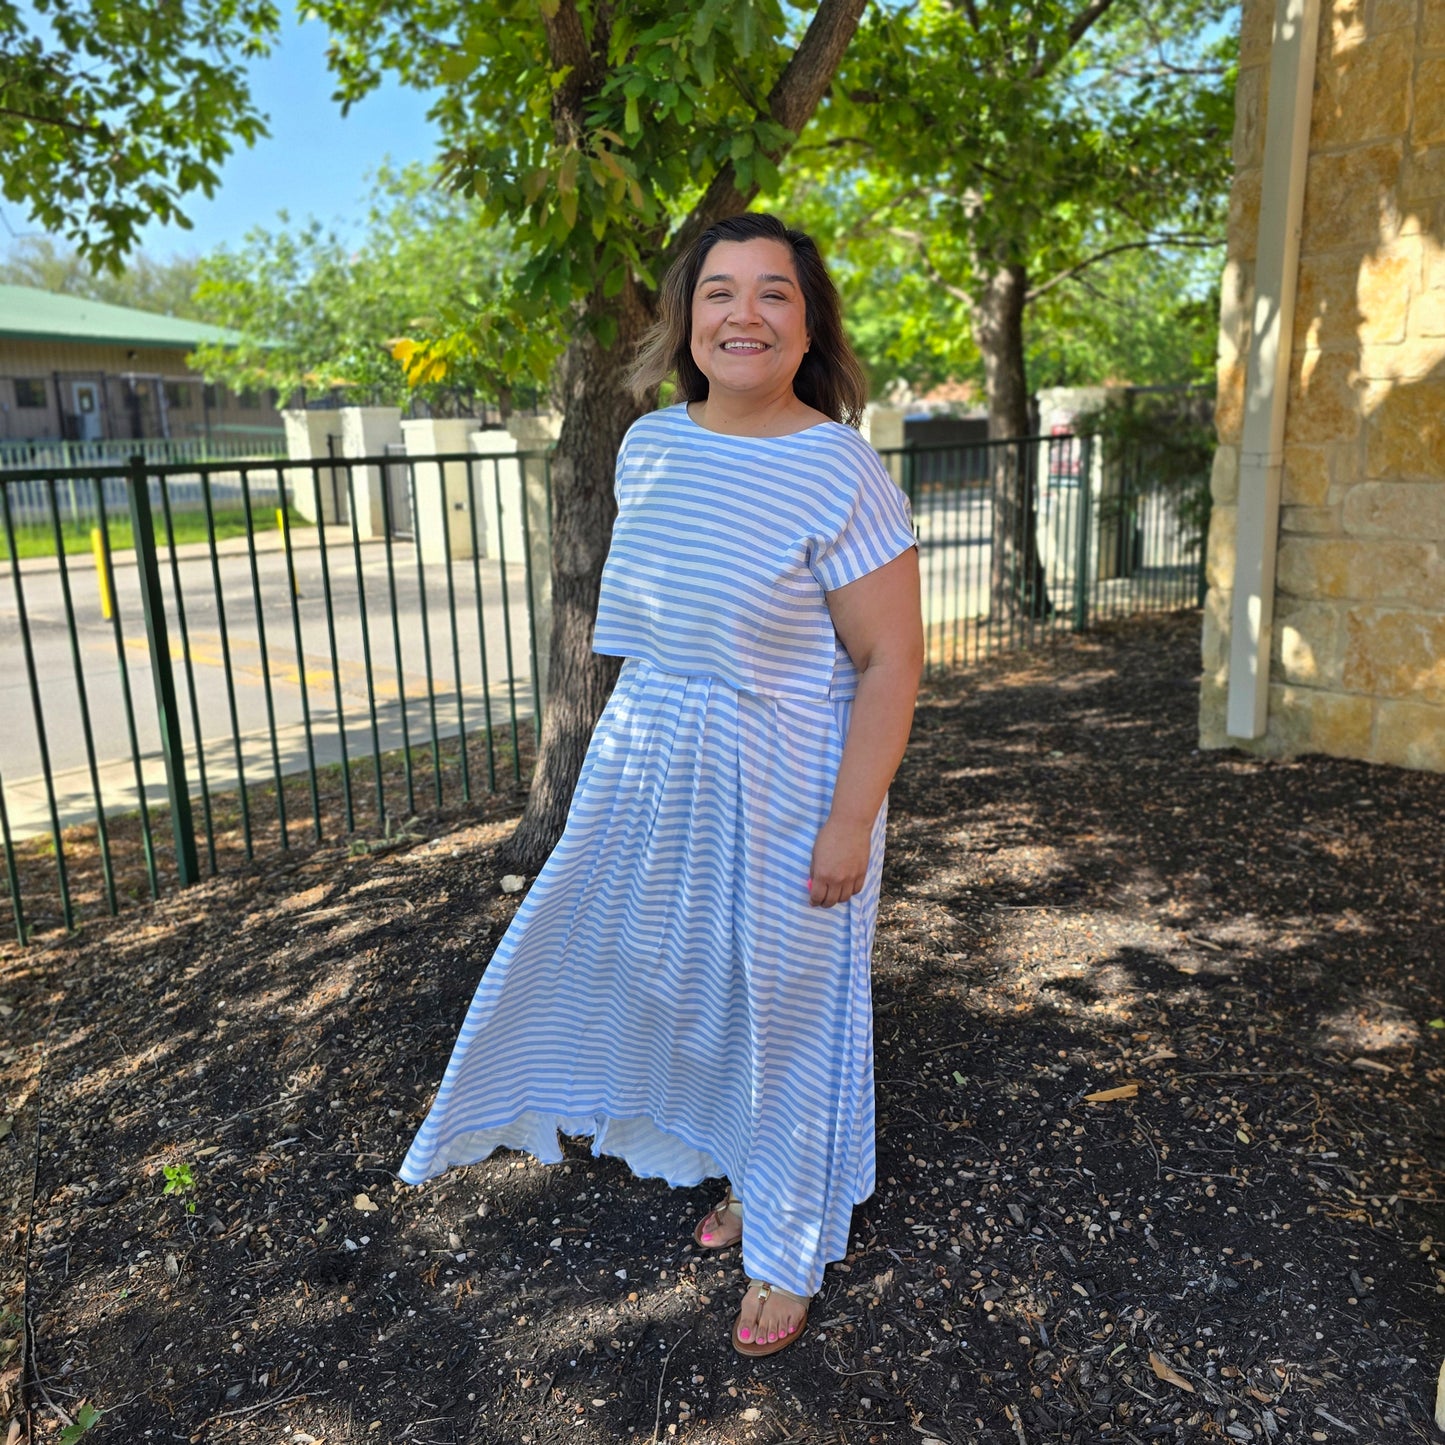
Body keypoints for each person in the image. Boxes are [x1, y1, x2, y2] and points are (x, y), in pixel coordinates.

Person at [399, 212, 923, 1358]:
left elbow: (891, 659)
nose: (744, 314)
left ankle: (784, 1242)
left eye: (774, 293)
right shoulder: (648, 445)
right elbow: (648, 636)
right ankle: (746, 1163)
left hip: (789, 781)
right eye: (718, 291)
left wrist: (850, 819)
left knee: (787, 1009)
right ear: (686, 321)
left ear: (808, 326)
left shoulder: (836, 465)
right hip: (651, 760)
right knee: (691, 986)